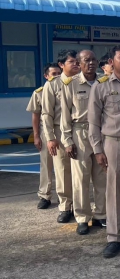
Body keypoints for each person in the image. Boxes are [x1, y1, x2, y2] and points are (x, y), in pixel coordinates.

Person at [88, 44, 120, 258]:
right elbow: (93, 121)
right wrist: (97, 149)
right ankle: (114, 237)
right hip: (115, 144)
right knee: (114, 193)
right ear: (111, 62)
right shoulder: (101, 86)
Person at [60, 50, 107, 235]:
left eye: (94, 59)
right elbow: (64, 114)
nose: (91, 63)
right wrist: (67, 140)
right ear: (79, 64)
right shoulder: (71, 84)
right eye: (87, 60)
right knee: (81, 178)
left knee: (102, 176)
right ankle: (82, 217)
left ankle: (101, 214)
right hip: (80, 132)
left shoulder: (104, 82)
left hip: (102, 132)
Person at [42, 49, 80, 223]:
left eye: (77, 61)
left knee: (81, 172)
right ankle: (65, 206)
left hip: (79, 130)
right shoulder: (53, 84)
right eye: (72, 61)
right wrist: (50, 138)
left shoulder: (83, 82)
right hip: (59, 132)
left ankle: (81, 205)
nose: (76, 64)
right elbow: (46, 113)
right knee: (62, 171)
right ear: (61, 64)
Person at [26, 63, 60, 210]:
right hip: (46, 133)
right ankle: (45, 195)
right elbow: (36, 115)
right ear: (46, 76)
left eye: (59, 73)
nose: (57, 76)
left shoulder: (65, 89)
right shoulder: (39, 93)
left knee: (64, 167)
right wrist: (36, 136)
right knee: (46, 164)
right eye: (53, 74)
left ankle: (65, 196)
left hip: (62, 132)